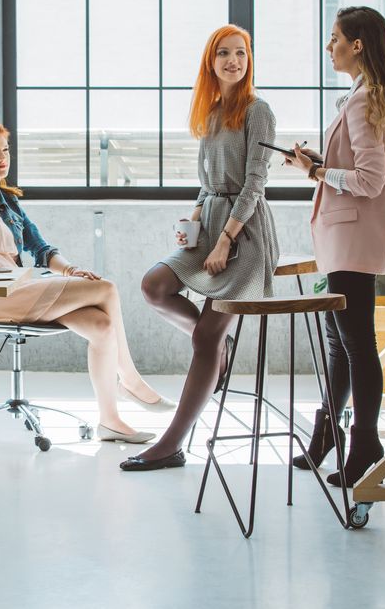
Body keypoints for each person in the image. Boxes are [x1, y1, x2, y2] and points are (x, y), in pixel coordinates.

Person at [0, 117, 175, 443]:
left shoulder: (9, 203)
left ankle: (110, 421)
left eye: (5, 150)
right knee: (106, 289)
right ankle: (131, 381)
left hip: (22, 287)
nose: (2, 158)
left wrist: (70, 270)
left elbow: (42, 248)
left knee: (102, 327)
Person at [126, 25, 279, 471]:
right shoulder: (211, 112)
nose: (234, 61)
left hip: (245, 234)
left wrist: (227, 238)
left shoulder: (258, 110)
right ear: (210, 62)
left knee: (208, 336)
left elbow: (254, 184)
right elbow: (206, 182)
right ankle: (218, 351)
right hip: (210, 223)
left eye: (241, 53)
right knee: (155, 285)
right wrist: (194, 218)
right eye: (224, 54)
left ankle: (171, 443)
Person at [284, 6, 385, 487]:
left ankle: (364, 442)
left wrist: (318, 172)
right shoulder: (363, 96)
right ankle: (329, 436)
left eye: (335, 38)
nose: (329, 46)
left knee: (357, 344)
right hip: (345, 236)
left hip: (352, 238)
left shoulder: (363, 102)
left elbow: (369, 179)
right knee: (341, 343)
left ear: (357, 45)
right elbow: (361, 170)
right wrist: (318, 162)